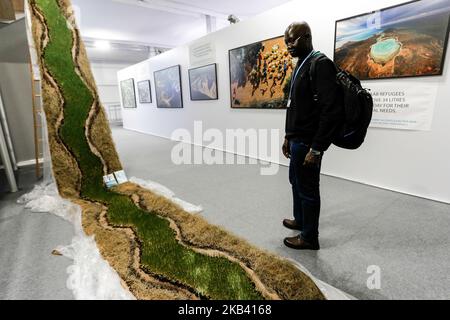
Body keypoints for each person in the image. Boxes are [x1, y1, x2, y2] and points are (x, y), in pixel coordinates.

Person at [282, 21, 343, 250]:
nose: (288, 44)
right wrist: (288, 136)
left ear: (307, 37)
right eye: (285, 40)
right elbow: (294, 106)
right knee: (295, 181)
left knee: (308, 189)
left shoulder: (320, 64)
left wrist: (317, 149)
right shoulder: (300, 65)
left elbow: (331, 111)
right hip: (297, 139)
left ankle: (309, 237)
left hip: (309, 143)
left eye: (292, 40)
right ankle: (300, 220)